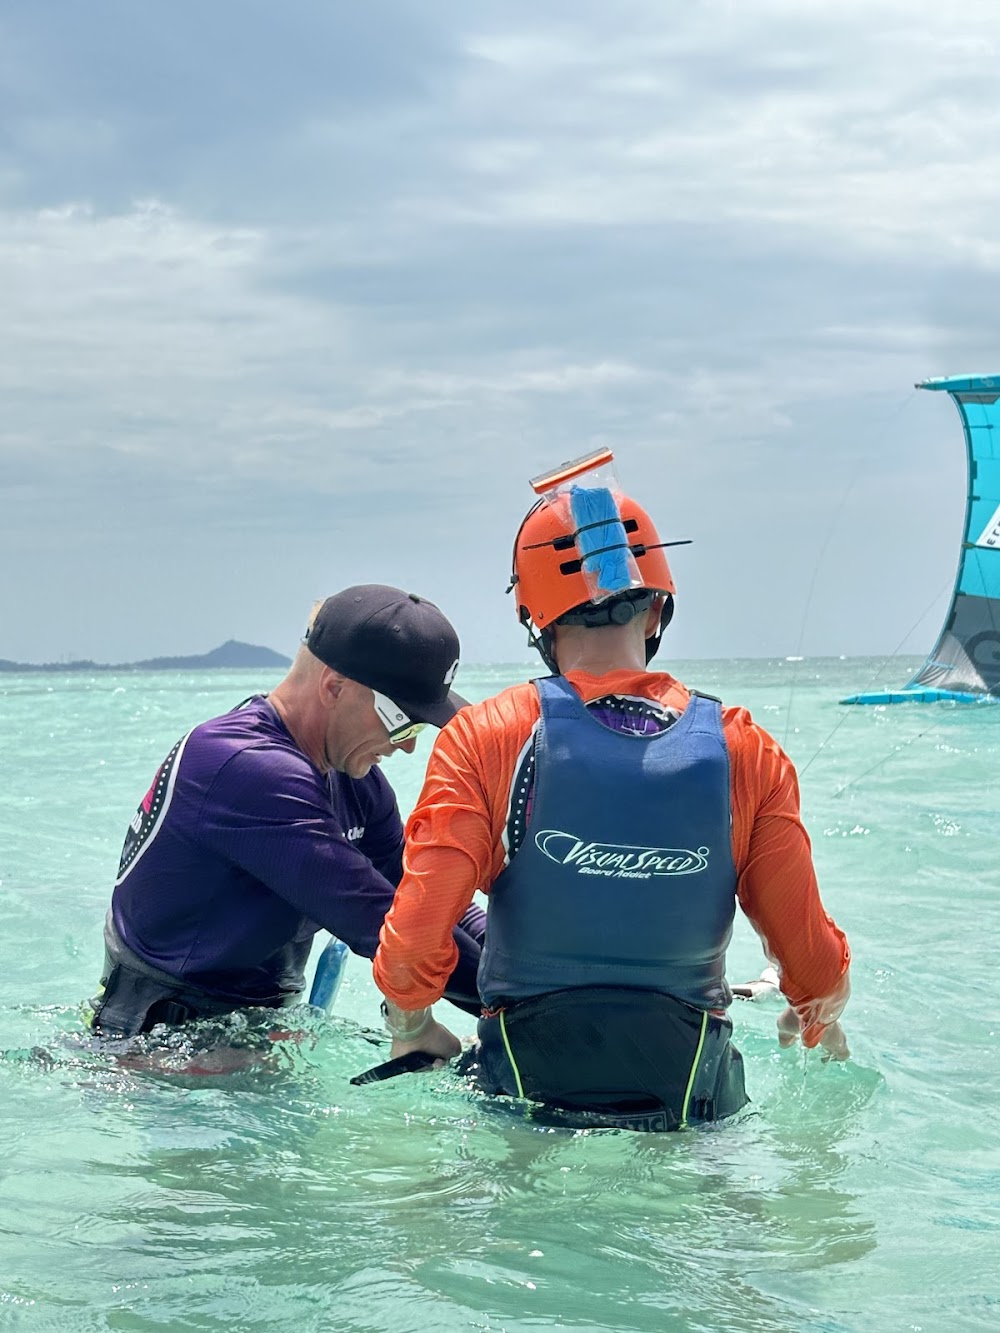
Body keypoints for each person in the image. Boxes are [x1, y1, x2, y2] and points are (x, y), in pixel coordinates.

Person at [373, 454, 851, 1131]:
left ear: (534, 620)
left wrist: (411, 1019)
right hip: (691, 1097)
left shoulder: (485, 738)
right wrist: (819, 1011)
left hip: (526, 1092)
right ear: (657, 610)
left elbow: (416, 939)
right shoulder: (747, 750)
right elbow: (812, 961)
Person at [89, 584, 485, 1043]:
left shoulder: (354, 778)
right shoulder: (244, 769)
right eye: (402, 721)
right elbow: (385, 929)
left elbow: (425, 900)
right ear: (335, 687)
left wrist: (530, 962)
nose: (411, 745)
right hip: (157, 1047)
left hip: (253, 1031)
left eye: (421, 726)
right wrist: (523, 1002)